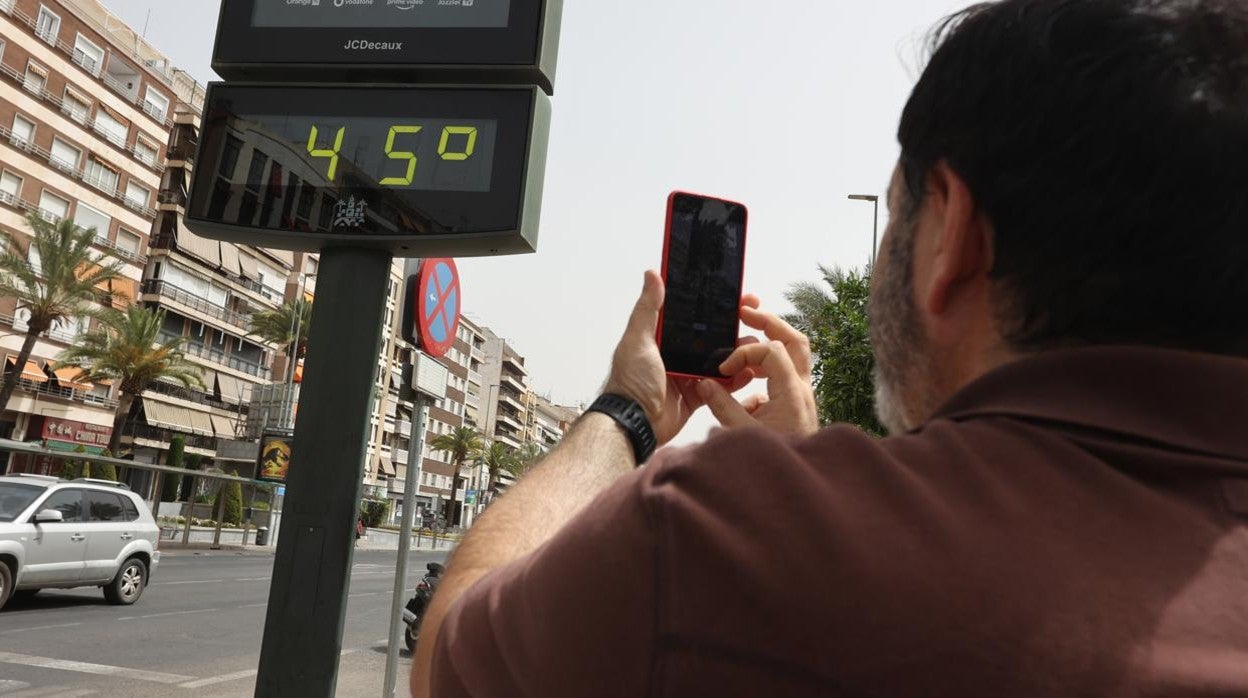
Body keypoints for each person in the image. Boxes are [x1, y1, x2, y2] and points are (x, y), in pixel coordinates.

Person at [412, 1, 1248, 695]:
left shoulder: (712, 535)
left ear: (950, 233)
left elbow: (450, 656)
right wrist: (813, 474)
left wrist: (625, 415)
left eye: (897, 219)